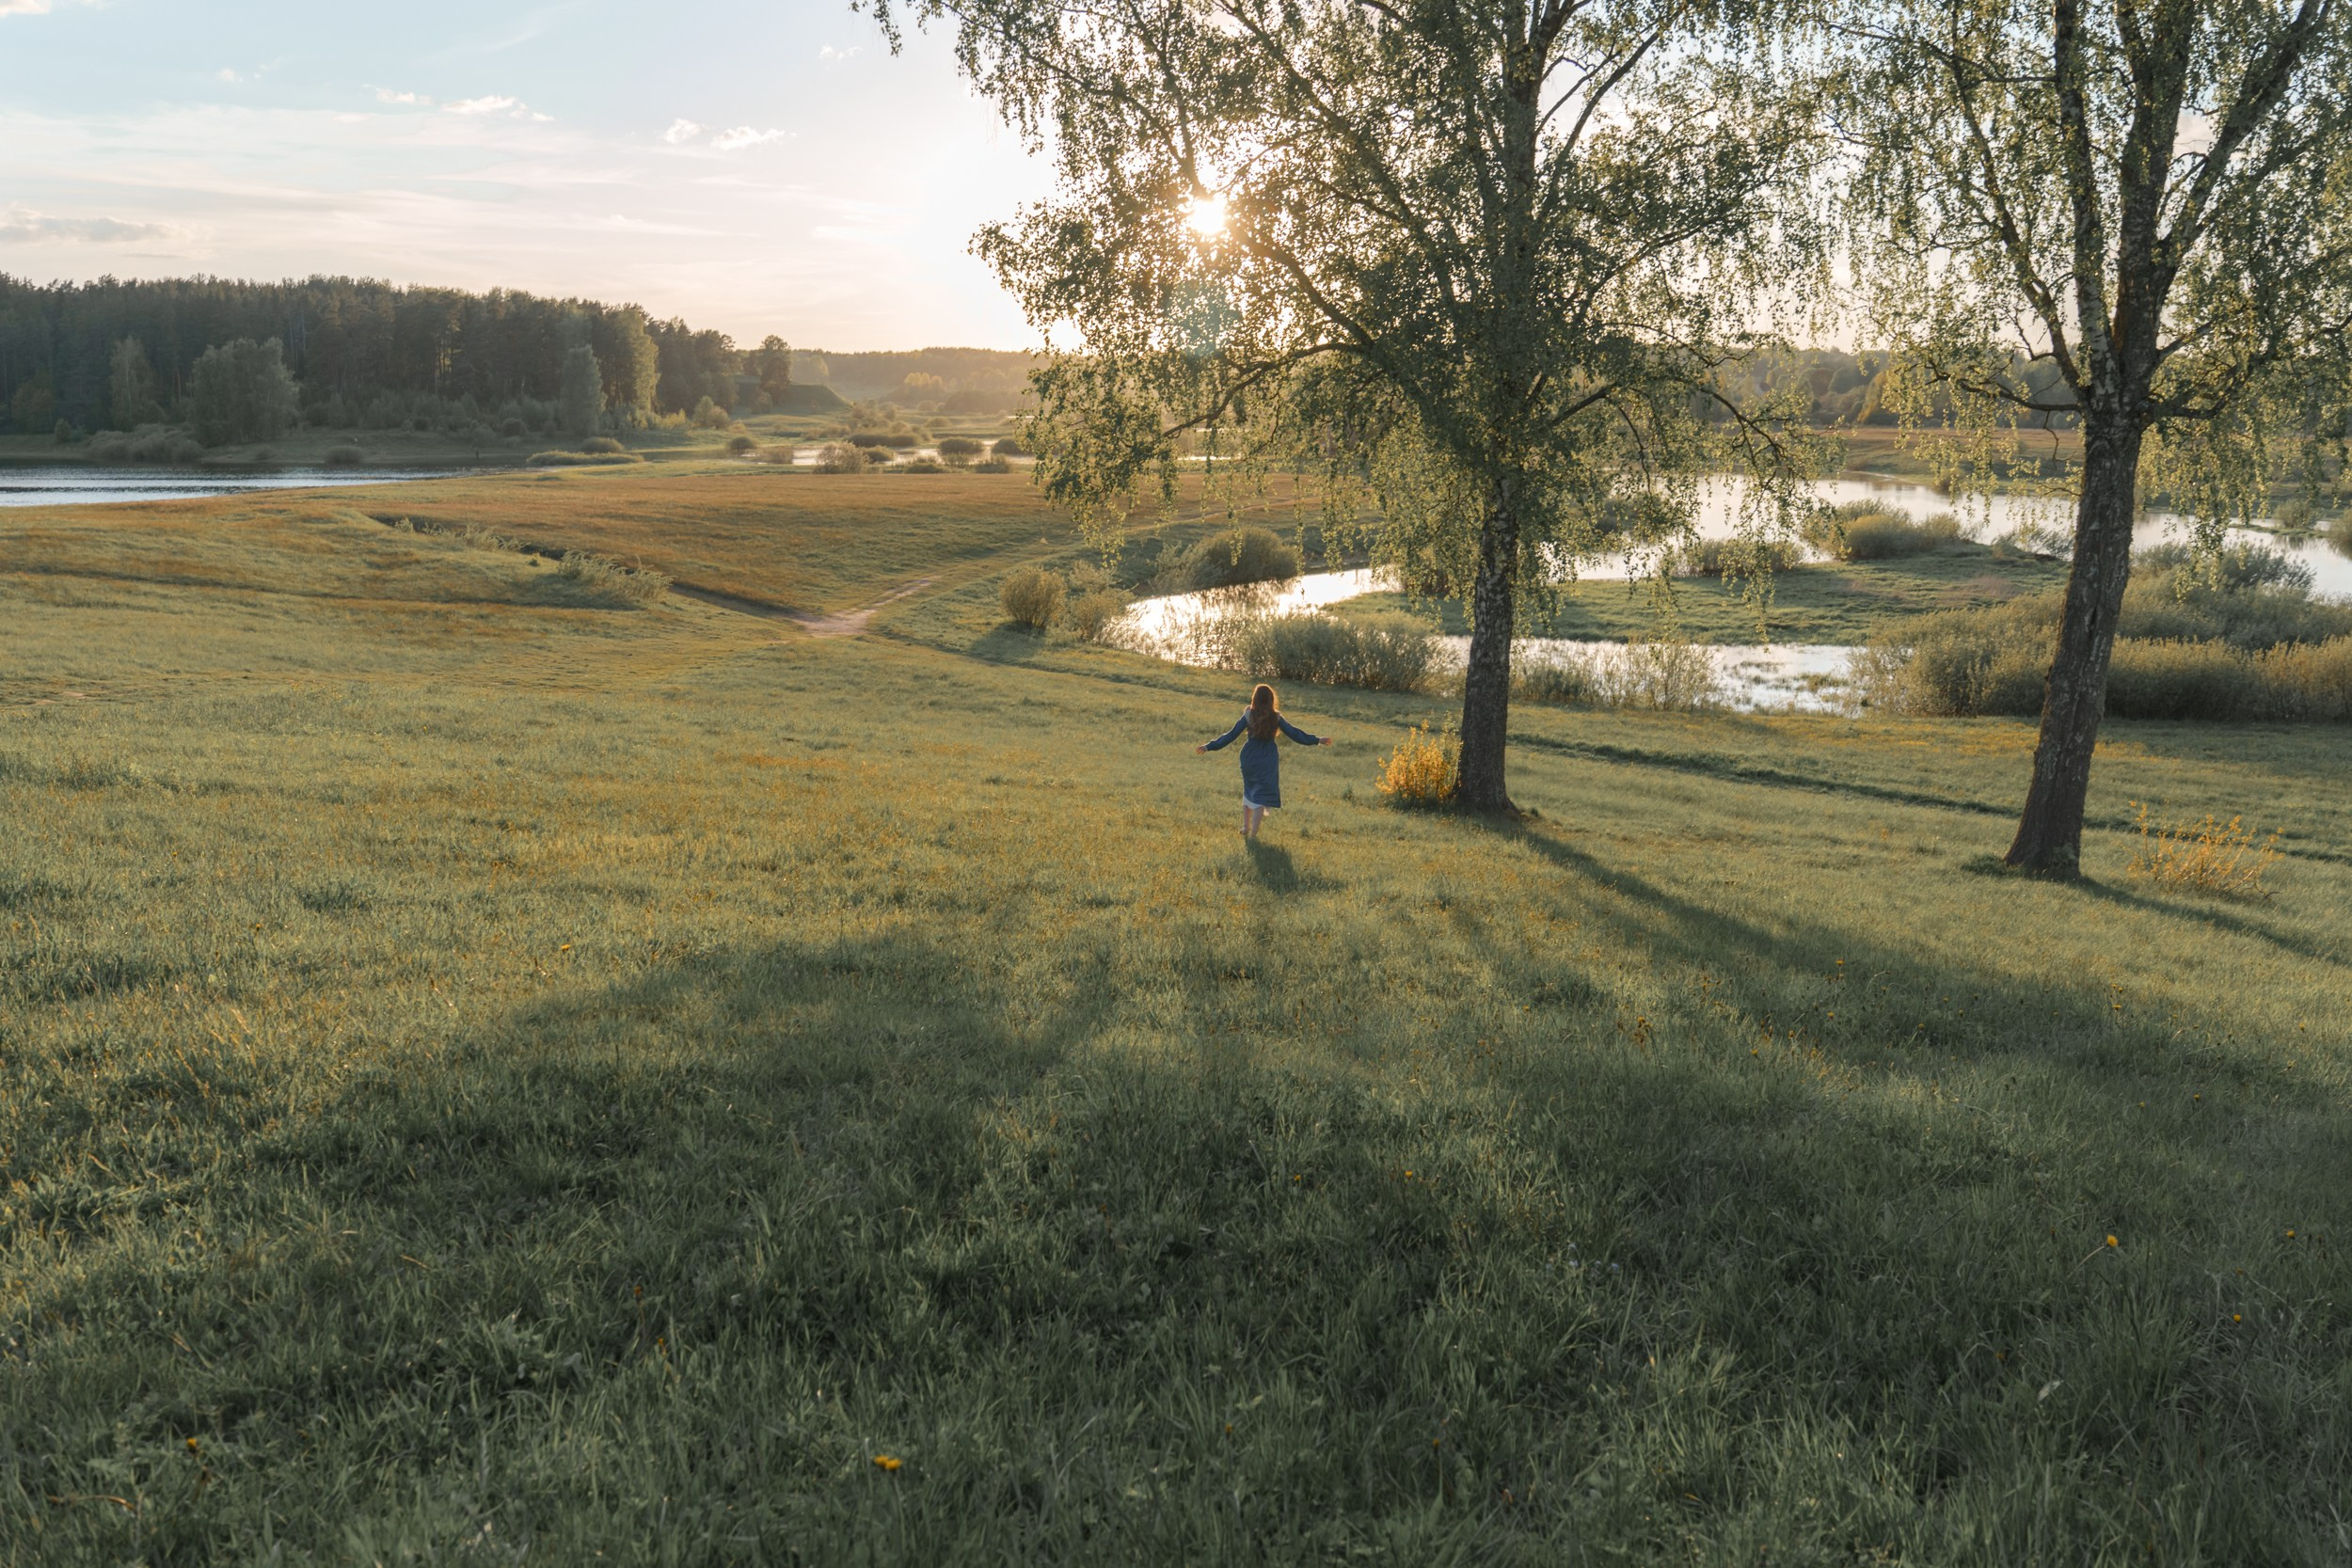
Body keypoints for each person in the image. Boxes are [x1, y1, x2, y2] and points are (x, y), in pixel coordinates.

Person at [1197, 683, 1332, 837]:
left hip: (1249, 757)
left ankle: (1245, 827)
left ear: (1254, 698)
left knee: (1249, 791)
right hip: (1267, 759)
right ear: (1271, 700)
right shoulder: (1276, 717)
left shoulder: (1249, 715)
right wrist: (1317, 740)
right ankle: (1253, 833)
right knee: (1260, 797)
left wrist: (1209, 746)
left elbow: (1231, 735)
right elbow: (1295, 733)